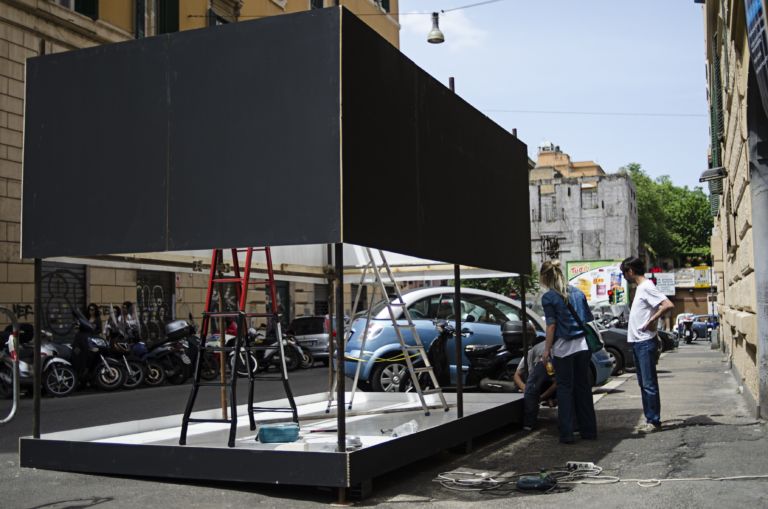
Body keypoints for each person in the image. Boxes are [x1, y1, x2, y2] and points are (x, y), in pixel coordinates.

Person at [539, 259, 597, 444]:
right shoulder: (578, 293)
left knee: (564, 389)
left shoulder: (549, 297)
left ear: (545, 277)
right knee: (583, 388)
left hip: (564, 347)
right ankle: (589, 431)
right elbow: (587, 318)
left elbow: (551, 326)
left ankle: (567, 433)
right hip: (583, 346)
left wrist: (546, 350)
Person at [620, 257, 674, 433]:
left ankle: (654, 421)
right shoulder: (641, 288)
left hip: (644, 342)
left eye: (624, 273)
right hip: (638, 342)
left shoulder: (646, 287)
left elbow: (667, 304)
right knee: (644, 383)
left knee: (648, 383)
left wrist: (653, 320)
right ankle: (650, 418)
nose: (624, 277)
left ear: (630, 271)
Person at [513, 339, 557, 431]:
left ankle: (528, 423)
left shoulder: (551, 358)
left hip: (547, 387)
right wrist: (525, 389)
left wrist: (542, 397)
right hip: (535, 386)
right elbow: (517, 375)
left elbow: (557, 383)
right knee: (525, 389)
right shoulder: (529, 354)